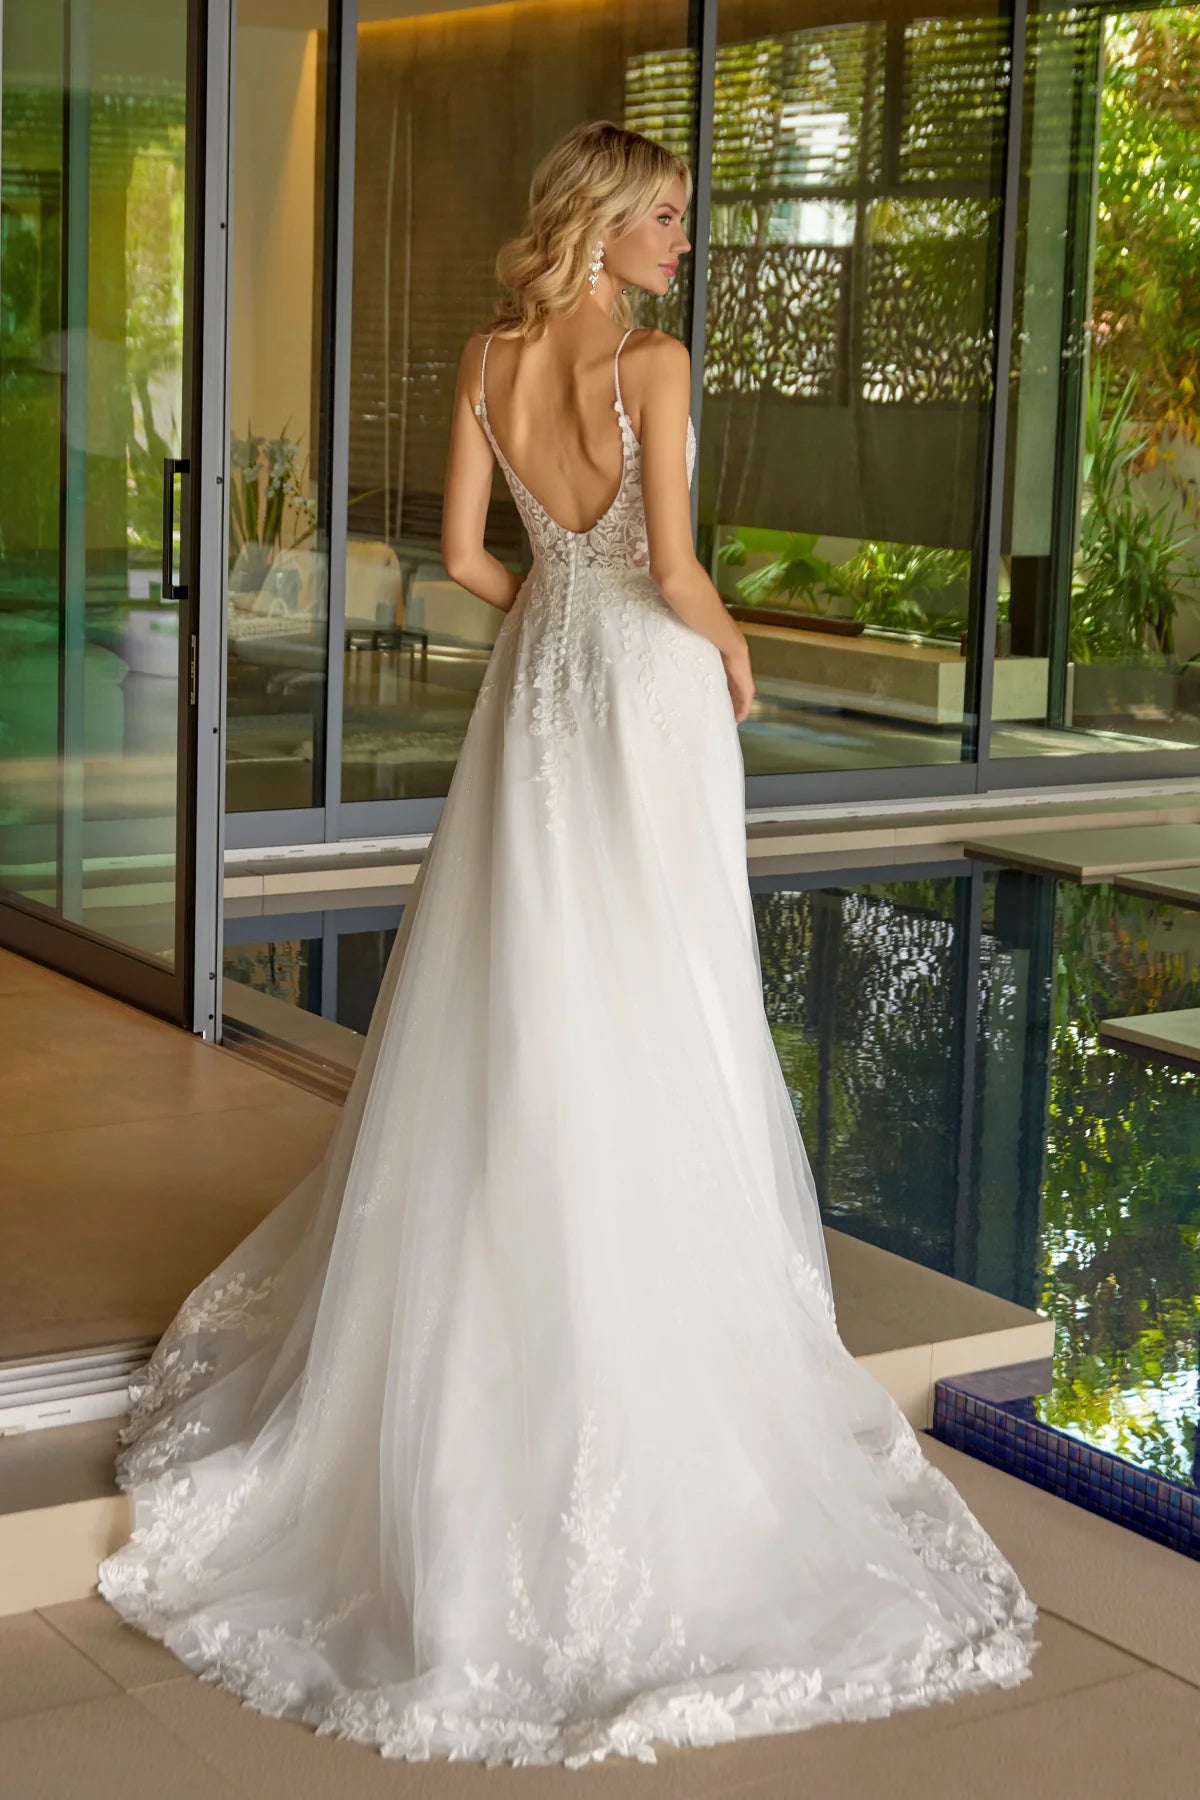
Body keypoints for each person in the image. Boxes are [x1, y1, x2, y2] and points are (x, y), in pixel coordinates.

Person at [97, 119, 1036, 1771]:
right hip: (649, 697)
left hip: (539, 692)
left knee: (529, 985)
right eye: (664, 214)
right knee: (666, 985)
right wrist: (732, 653)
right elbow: (672, 568)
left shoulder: (486, 361)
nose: (682, 237)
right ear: (600, 225)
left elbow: (472, 557)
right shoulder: (653, 368)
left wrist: (555, 618)